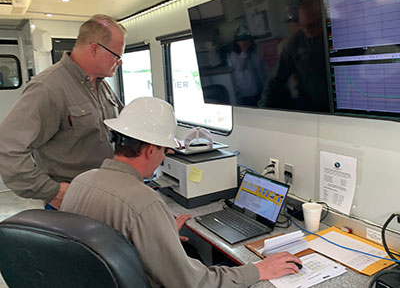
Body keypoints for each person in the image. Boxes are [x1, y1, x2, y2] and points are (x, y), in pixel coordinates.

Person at [60, 96, 302, 288]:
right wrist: (258, 269)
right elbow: (191, 282)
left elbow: (107, 246)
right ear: (150, 150)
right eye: (165, 151)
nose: (163, 158)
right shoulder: (144, 203)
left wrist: (159, 234)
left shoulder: (80, 181)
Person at [0, 14, 126, 209]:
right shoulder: (48, 87)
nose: (120, 63)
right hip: (72, 200)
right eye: (117, 56)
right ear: (95, 49)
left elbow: (121, 123)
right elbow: (7, 149)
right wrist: (51, 192)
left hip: (106, 191)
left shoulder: (101, 84)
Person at [258, 0, 330, 112]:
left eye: (312, 25)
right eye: (302, 25)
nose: (307, 31)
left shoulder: (341, 34)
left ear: (324, 16)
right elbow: (275, 81)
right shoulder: (294, 45)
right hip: (313, 110)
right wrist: (261, 111)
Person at [230, 25, 268, 106]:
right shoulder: (234, 55)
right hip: (247, 92)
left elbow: (263, 68)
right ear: (237, 42)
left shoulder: (256, 51)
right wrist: (244, 50)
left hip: (261, 88)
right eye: (242, 40)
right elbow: (241, 67)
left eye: (247, 39)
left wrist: (267, 83)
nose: (245, 42)